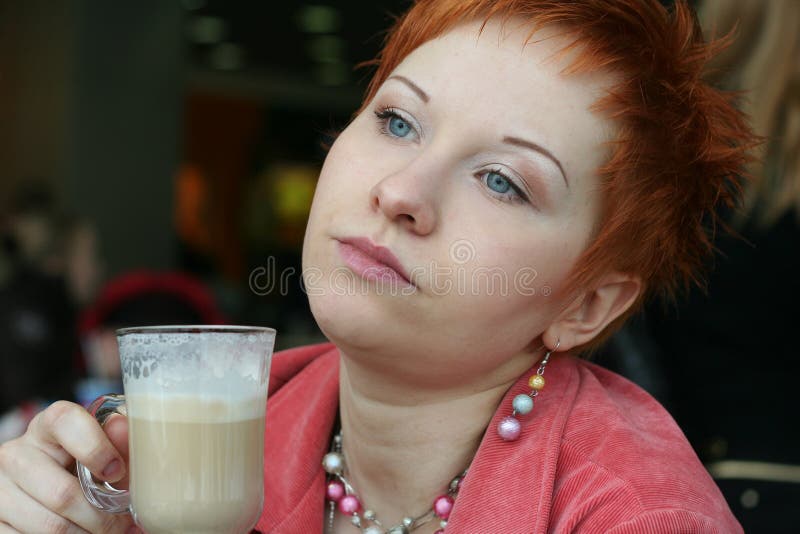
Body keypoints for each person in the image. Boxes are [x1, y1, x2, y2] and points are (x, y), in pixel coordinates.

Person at [0, 1, 756, 532]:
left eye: (501, 180)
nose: (400, 192)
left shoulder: (637, 516)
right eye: (396, 120)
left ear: (586, 305)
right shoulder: (214, 428)